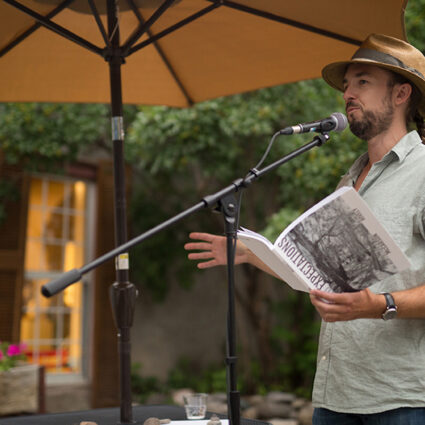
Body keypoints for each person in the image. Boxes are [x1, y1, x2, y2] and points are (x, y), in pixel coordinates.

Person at [184, 33, 425, 424]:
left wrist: (381, 305)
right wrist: (252, 255)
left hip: (401, 401)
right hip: (334, 394)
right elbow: (316, 277)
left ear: (401, 94)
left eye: (362, 81)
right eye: (347, 84)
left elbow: (374, 301)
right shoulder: (349, 180)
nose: (348, 93)